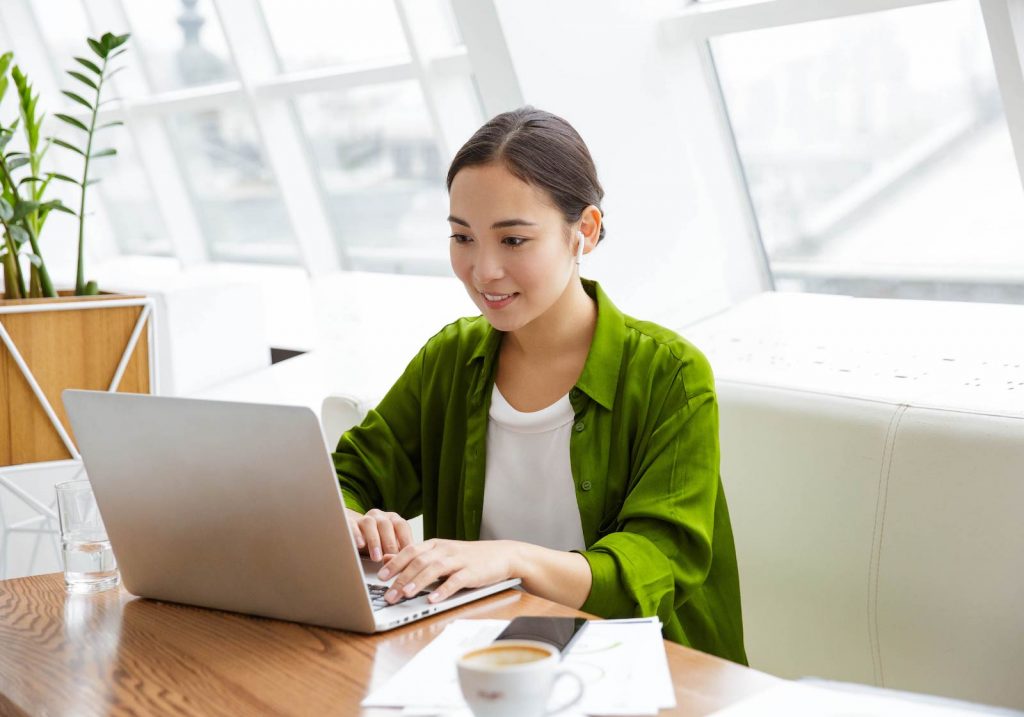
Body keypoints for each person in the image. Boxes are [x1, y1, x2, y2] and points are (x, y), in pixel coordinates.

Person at [333, 106, 747, 664]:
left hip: (647, 667)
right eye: (462, 237)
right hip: (481, 659)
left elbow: (657, 563)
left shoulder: (670, 374)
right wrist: (360, 523)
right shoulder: (451, 358)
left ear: (586, 232)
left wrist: (512, 559)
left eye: (513, 241)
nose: (483, 271)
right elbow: (346, 477)